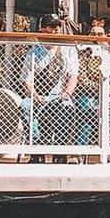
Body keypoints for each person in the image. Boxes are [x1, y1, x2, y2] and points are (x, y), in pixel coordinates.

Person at [18, 18, 78, 152]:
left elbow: (73, 76)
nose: (56, 29)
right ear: (42, 29)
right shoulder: (33, 52)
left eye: (57, 26)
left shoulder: (68, 50)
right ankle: (37, 145)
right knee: (25, 106)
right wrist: (34, 95)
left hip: (60, 95)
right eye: (51, 26)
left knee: (67, 109)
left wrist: (67, 93)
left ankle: (60, 149)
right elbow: (26, 79)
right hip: (39, 95)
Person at [75, 20, 110, 150]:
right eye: (93, 34)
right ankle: (79, 151)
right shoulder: (84, 55)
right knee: (86, 111)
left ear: (105, 35)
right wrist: (101, 88)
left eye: (100, 34)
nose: (97, 37)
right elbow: (82, 78)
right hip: (90, 94)